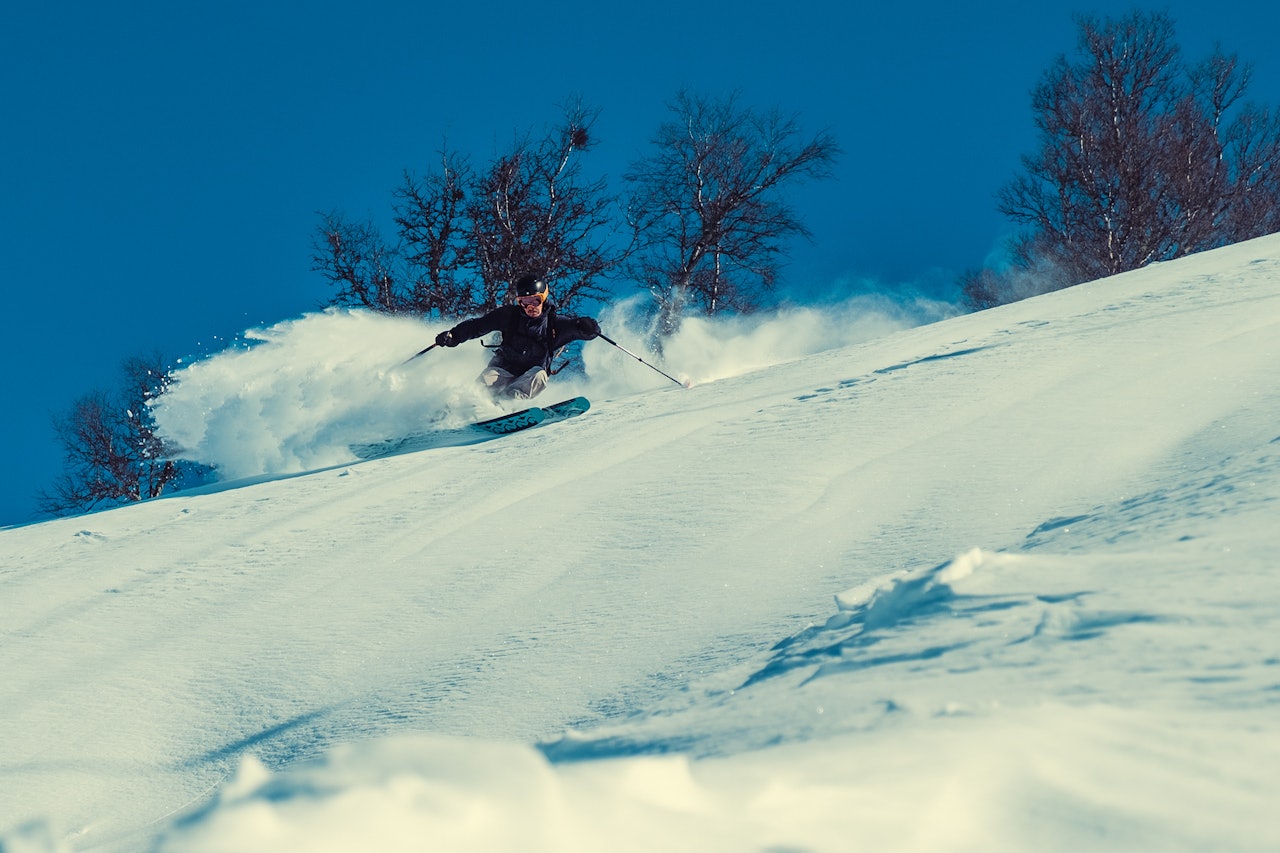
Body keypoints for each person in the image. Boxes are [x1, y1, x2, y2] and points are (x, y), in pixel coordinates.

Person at [434, 274, 601, 400]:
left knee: (540, 376)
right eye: (524, 301)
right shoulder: (509, 316)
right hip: (503, 369)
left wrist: (588, 327)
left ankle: (509, 403)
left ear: (543, 298)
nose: (530, 306)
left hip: (531, 375)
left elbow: (581, 330)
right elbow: (477, 326)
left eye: (535, 301)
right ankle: (461, 408)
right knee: (484, 384)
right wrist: (454, 336)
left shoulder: (556, 324)